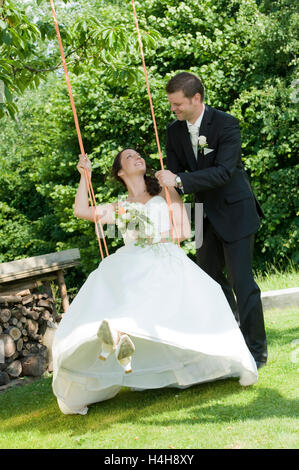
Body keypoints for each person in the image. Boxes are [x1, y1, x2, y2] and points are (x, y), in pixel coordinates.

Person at [52, 149, 258, 416]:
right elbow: (81, 210)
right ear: (120, 172)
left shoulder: (164, 190)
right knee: (115, 303)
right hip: (132, 263)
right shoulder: (120, 207)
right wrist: (84, 175)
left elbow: (184, 231)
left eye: (139, 155)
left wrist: (155, 236)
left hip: (165, 257)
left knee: (203, 296)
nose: (137, 157)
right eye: (129, 157)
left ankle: (217, 359)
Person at [155, 72, 267, 369]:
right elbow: (175, 175)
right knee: (212, 284)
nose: (174, 109)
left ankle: (257, 352)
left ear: (196, 99)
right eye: (171, 104)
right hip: (202, 216)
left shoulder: (227, 124)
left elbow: (223, 172)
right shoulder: (173, 132)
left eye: (177, 104)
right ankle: (230, 346)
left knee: (242, 283)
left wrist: (179, 179)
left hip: (235, 211)